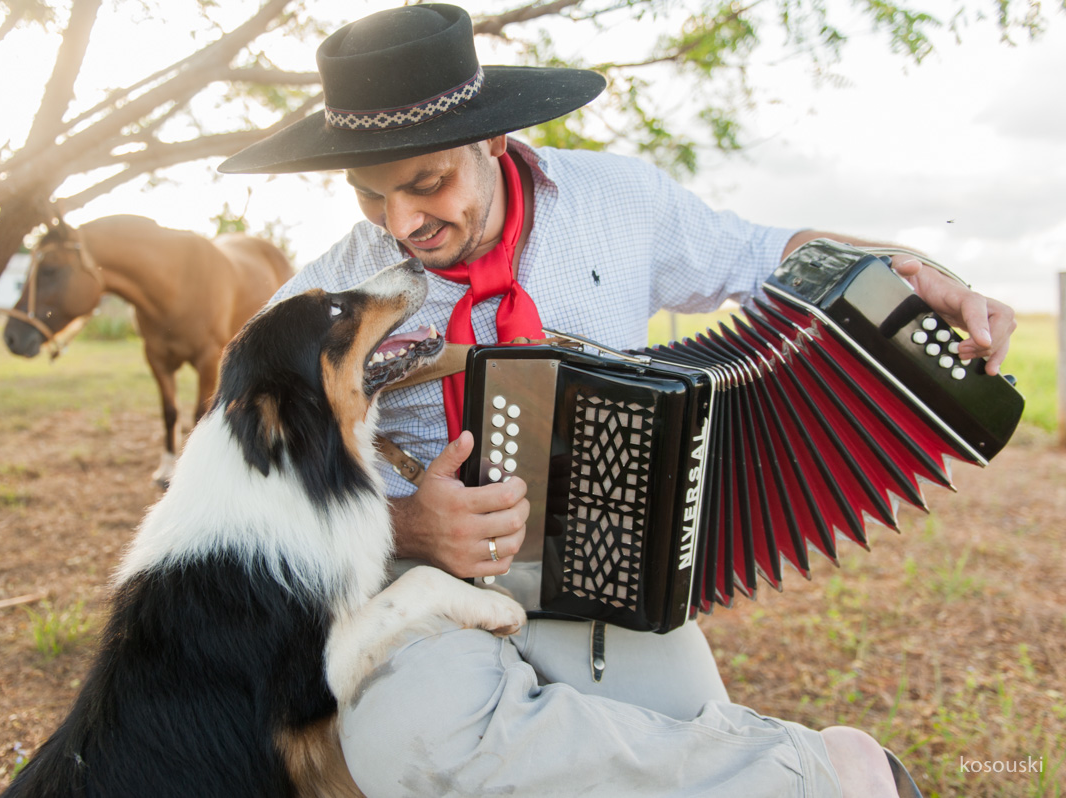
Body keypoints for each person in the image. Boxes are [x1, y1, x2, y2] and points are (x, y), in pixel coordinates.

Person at [218, 5, 1015, 797]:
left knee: (684, 737)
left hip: (610, 576)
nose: (403, 223)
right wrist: (405, 525)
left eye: (429, 183)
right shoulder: (323, 304)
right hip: (417, 584)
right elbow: (239, 489)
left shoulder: (620, 200)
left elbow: (765, 254)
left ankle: (836, 772)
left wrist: (915, 268)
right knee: (414, 750)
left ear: (493, 138)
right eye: (371, 195)